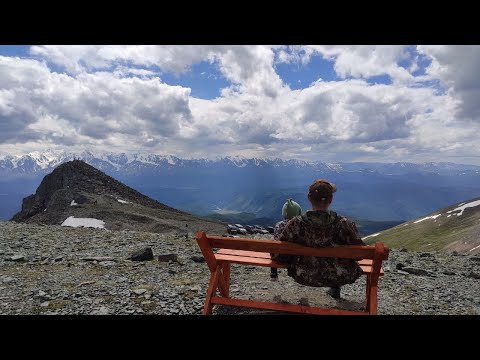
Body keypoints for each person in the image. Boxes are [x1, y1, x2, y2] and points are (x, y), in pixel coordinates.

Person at [274, 179, 365, 299]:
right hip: (340, 274)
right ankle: (335, 288)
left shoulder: (295, 224)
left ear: (309, 198)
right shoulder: (345, 224)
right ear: (331, 199)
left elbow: (280, 254)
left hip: (303, 274)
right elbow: (360, 254)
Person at [270, 199, 302, 281]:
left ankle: (273, 273)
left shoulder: (278, 224)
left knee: (273, 242)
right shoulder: (300, 226)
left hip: (279, 257)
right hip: (295, 258)